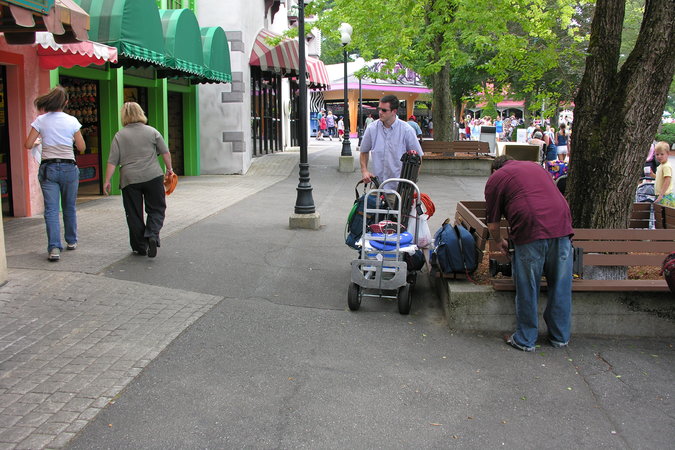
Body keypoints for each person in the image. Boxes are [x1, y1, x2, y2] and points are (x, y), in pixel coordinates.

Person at [484, 155, 574, 352]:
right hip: (562, 225)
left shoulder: (497, 177)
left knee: (528, 285)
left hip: (531, 228)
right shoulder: (537, 167)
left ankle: (525, 339)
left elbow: (493, 224)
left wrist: (499, 241)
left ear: (494, 170)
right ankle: (560, 337)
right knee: (561, 285)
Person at [103, 102, 173, 258]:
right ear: (141, 113)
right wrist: (170, 170)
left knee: (133, 213)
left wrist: (107, 180)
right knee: (157, 208)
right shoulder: (152, 131)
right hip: (153, 175)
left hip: (129, 179)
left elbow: (112, 161)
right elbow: (165, 152)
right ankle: (152, 234)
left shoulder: (119, 135)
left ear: (124, 116)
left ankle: (140, 247)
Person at [24, 86, 86, 261]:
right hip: (69, 168)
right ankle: (71, 241)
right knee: (69, 206)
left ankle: (54, 248)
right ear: (65, 102)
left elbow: (28, 144)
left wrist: (40, 141)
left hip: (48, 168)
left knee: (51, 210)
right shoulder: (72, 121)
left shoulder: (40, 120)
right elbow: (81, 147)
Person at [360, 94, 423, 188]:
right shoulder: (372, 128)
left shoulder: (407, 130)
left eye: (384, 110)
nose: (380, 112)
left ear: (394, 111)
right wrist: (364, 171)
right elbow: (364, 151)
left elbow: (418, 157)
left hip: (399, 187)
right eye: (379, 109)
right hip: (378, 185)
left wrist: (411, 182)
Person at [654, 141, 675, 206]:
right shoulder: (661, 165)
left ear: (667, 153)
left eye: (662, 154)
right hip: (660, 195)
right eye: (657, 154)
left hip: (665, 196)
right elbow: (660, 178)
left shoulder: (666, 166)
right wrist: (652, 175)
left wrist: (661, 194)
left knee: (664, 211)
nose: (659, 156)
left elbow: (667, 180)